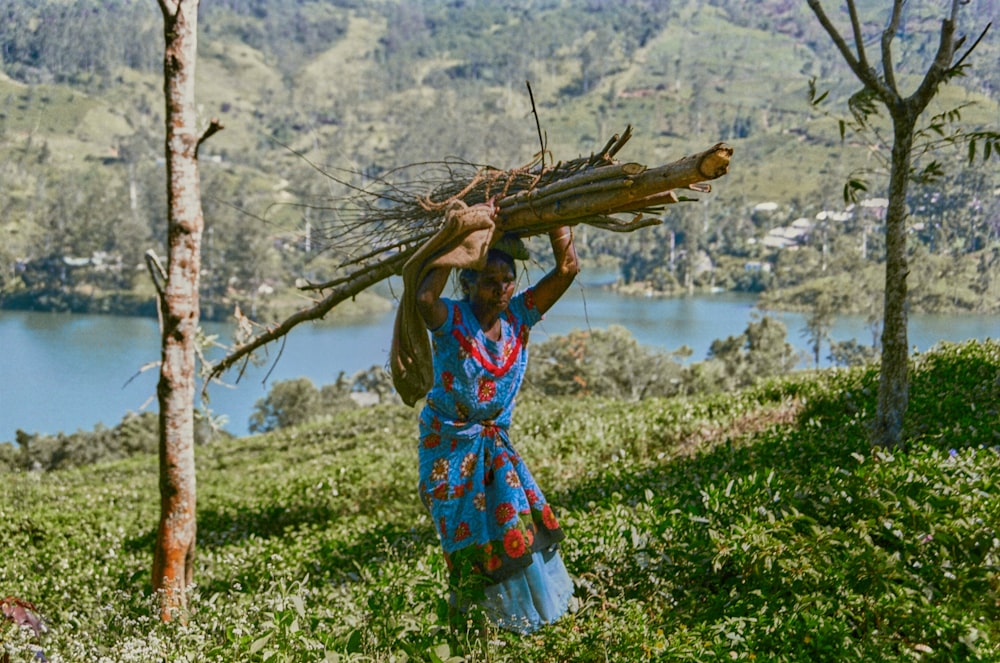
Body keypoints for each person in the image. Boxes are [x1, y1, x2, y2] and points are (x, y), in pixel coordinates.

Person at [414, 201, 580, 635]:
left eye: (508, 281)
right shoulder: (451, 319)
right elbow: (424, 297)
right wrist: (459, 241)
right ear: (468, 282)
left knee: (512, 527)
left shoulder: (518, 317)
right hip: (448, 448)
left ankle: (519, 620)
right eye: (490, 282)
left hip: (494, 447)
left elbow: (567, 270)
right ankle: (468, 625)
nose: (502, 289)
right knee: (461, 539)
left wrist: (557, 205)